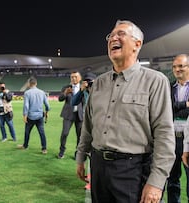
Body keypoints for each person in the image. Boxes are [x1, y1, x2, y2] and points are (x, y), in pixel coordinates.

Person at [76, 19, 175, 203]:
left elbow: (164, 133)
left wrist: (156, 181)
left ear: (137, 44)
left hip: (133, 170)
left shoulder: (155, 81)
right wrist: (81, 156)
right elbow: (88, 126)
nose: (113, 38)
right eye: (111, 35)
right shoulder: (98, 83)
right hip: (98, 166)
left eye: (120, 34)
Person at [165, 53, 189, 203]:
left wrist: (175, 109)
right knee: (172, 179)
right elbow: (166, 109)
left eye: (181, 66)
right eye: (174, 66)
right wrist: (184, 105)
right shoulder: (168, 87)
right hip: (172, 138)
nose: (177, 69)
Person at [18, 77, 50, 154]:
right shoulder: (42, 92)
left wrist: (25, 115)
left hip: (30, 116)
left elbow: (26, 105)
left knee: (27, 132)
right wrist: (46, 112)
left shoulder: (27, 93)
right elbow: (47, 105)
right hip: (40, 116)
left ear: (29, 84)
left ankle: (25, 146)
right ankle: (44, 148)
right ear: (36, 83)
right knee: (42, 132)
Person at [57, 71, 83, 159]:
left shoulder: (83, 87)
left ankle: (78, 153)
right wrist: (65, 93)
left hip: (79, 115)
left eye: (75, 77)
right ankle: (61, 151)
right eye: (72, 77)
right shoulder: (66, 87)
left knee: (80, 136)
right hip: (68, 114)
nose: (73, 79)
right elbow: (60, 99)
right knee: (64, 133)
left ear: (80, 78)